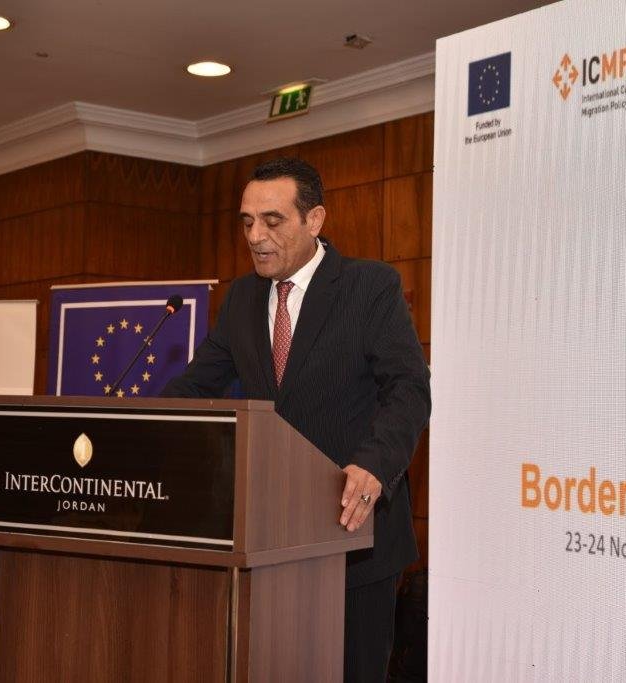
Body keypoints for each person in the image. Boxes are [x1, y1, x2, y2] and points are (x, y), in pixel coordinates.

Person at [161, 157, 430, 682]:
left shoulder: (369, 286)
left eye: (272, 220)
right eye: (246, 222)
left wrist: (374, 465)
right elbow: (194, 388)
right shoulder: (241, 298)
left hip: (354, 536)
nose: (255, 236)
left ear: (314, 219)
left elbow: (408, 388)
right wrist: (135, 427)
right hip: (272, 537)